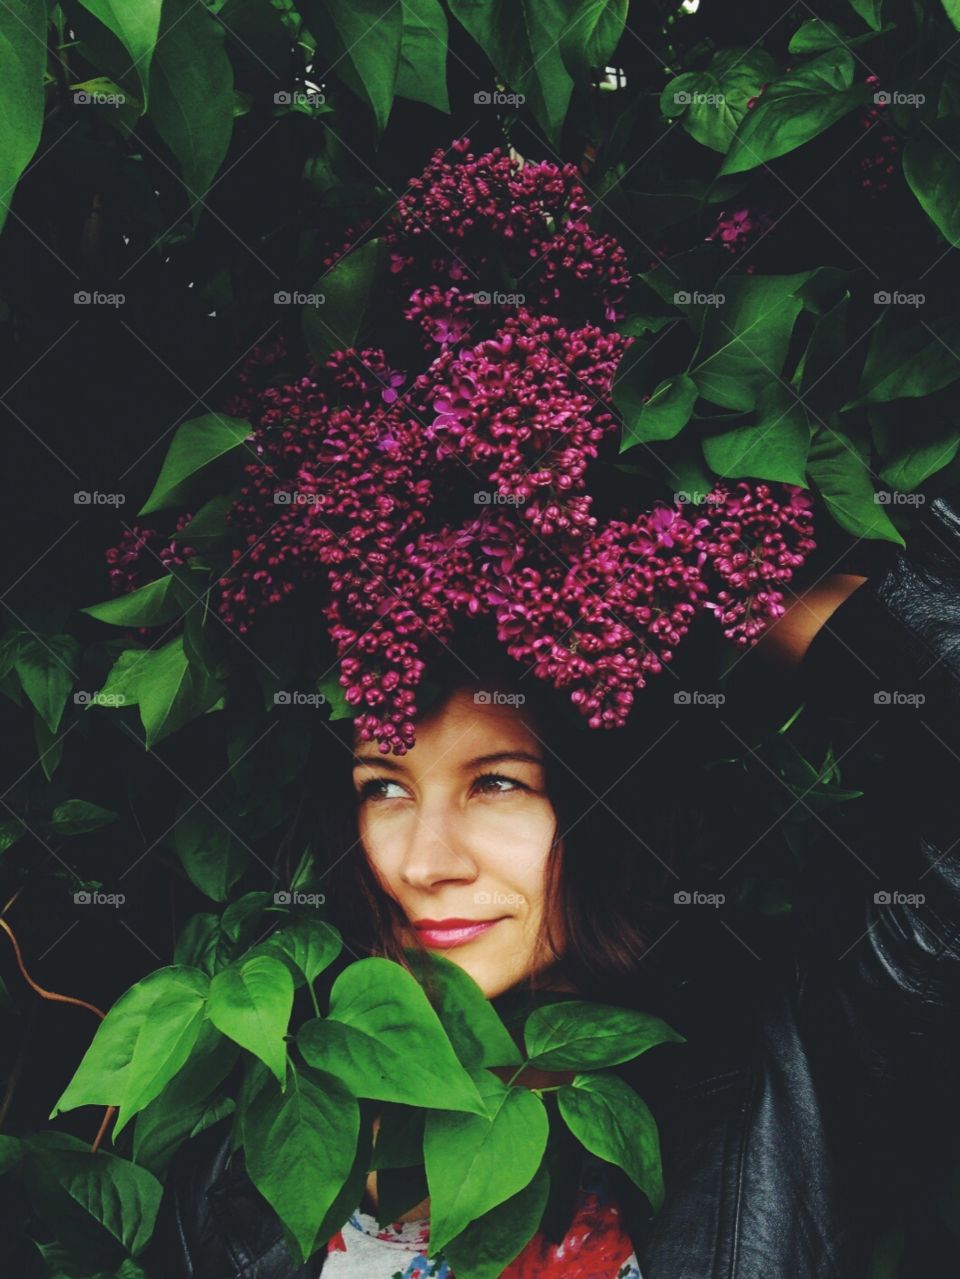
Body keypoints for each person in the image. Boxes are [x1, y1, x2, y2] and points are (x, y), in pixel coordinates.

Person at [146, 494, 960, 1277]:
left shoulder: (792, 1076)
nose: (424, 863)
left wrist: (735, 585)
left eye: (496, 783)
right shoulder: (232, 1198)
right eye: (385, 787)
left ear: (611, 801)